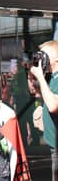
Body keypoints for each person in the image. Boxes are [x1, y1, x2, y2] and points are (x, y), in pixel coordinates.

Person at [28, 40, 58, 181]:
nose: (42, 58)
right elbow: (35, 91)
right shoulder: (52, 76)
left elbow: (53, 106)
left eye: (45, 56)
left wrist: (40, 76)